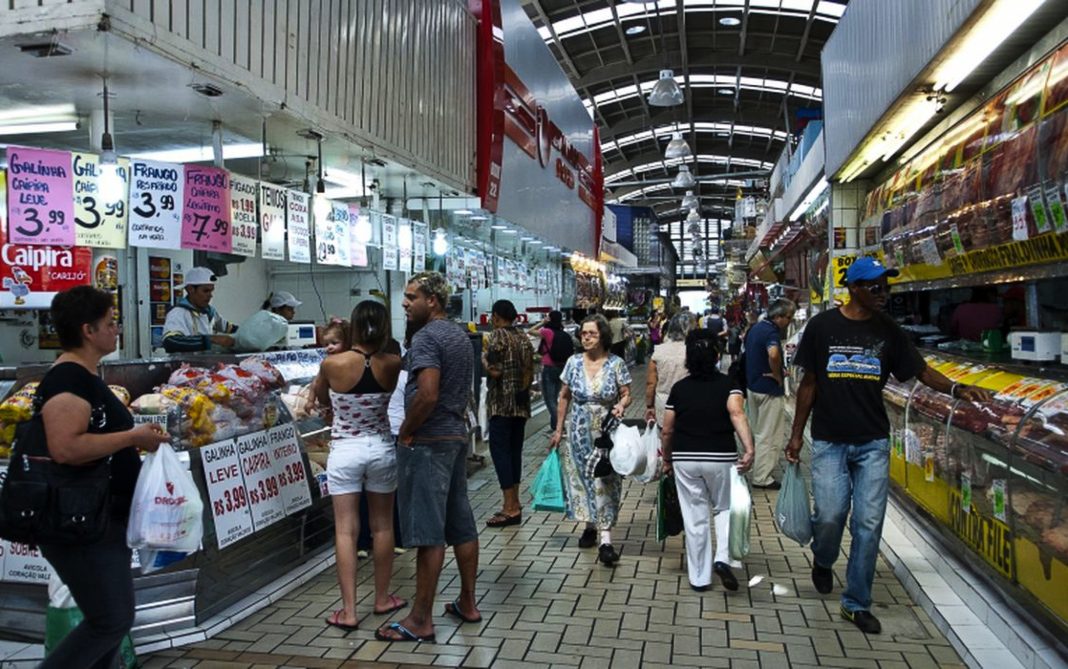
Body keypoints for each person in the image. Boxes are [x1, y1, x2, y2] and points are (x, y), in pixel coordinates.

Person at [786, 257, 992, 635]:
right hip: (830, 440)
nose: (883, 293)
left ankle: (856, 602)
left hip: (873, 442)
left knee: (868, 523)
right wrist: (797, 435)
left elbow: (920, 370)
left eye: (887, 286)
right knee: (830, 516)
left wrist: (957, 389)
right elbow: (809, 384)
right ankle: (823, 558)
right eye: (875, 287)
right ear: (853, 288)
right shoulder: (822, 327)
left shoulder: (889, 331)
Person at [35, 286, 170, 668]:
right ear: (87, 331)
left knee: (111, 619)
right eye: (111, 323)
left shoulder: (86, 377)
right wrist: (132, 437)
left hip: (100, 520)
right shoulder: (67, 381)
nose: (117, 330)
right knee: (110, 620)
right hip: (81, 523)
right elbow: (66, 447)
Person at [377, 272, 480, 643]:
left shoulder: (426, 337)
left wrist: (406, 430)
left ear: (432, 300)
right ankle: (467, 602)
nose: (405, 303)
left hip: (428, 441)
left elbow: (428, 393)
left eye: (411, 297)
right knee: (461, 524)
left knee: (428, 533)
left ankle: (420, 619)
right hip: (454, 436)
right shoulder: (457, 335)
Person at [313, 300, 406, 631]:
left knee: (346, 530)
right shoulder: (392, 363)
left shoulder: (332, 364)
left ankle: (349, 611)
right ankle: (382, 599)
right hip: (381, 447)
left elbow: (323, 402)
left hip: (345, 450)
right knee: (383, 527)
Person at [661, 330, 755, 592]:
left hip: (685, 458)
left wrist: (666, 459)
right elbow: (736, 413)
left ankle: (700, 578)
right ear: (716, 356)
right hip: (721, 456)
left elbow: (667, 429)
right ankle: (723, 558)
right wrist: (749, 449)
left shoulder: (679, 389)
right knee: (724, 508)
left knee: (695, 516)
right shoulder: (729, 385)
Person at [549, 314, 632, 567]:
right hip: (578, 432)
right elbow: (564, 396)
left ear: (603, 336)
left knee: (605, 480)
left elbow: (626, 392)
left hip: (606, 433)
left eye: (592, 334)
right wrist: (558, 429)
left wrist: (620, 405)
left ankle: (606, 540)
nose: (586, 338)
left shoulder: (616, 364)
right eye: (583, 333)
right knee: (583, 480)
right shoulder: (573, 363)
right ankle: (589, 525)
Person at [483, 300, 535, 528]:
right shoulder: (523, 337)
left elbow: (495, 371)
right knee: (515, 452)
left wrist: (483, 358)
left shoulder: (497, 337)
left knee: (500, 452)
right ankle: (515, 501)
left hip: (502, 404)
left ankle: (510, 507)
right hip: (521, 404)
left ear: (495, 316)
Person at [744, 298, 797, 490]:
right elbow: (773, 354)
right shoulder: (771, 332)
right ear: (778, 316)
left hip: (753, 386)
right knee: (769, 434)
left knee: (758, 431)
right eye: (788, 318)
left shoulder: (756, 328)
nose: (789, 322)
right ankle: (762, 477)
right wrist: (777, 375)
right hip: (769, 390)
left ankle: (756, 468)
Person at [161, 267, 237, 352]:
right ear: (190, 289)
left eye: (211, 291)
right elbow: (170, 342)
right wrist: (210, 340)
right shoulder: (178, 313)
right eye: (205, 291)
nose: (210, 295)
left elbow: (228, 327)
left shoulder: (210, 312)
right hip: (184, 364)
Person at [645, 312, 696, 425]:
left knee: (664, 436)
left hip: (664, 404)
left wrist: (649, 406)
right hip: (689, 403)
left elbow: (651, 383)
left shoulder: (659, 351)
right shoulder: (694, 351)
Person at [528, 310, 571, 434]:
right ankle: (554, 426)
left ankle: (560, 426)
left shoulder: (547, 332)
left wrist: (542, 322)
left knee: (549, 400)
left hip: (549, 368)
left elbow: (530, 331)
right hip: (561, 368)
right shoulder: (562, 332)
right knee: (556, 398)